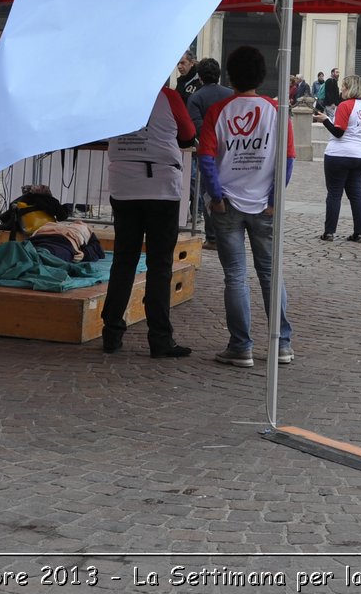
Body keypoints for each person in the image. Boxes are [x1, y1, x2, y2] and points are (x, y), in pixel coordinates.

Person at [198, 45, 295, 369]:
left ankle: (241, 346)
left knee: (235, 277)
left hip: (227, 203)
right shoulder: (276, 111)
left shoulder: (219, 111)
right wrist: (272, 200)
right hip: (262, 205)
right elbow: (288, 159)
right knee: (270, 275)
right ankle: (281, 344)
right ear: (262, 75)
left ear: (230, 75)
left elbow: (207, 157)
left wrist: (216, 195)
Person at [101, 78, 196, 359]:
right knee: (159, 263)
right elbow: (188, 135)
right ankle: (160, 338)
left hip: (124, 184)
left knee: (124, 259)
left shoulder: (114, 95)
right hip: (161, 187)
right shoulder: (168, 97)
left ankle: (112, 331)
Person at [316, 74, 361, 242]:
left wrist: (325, 120)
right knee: (356, 193)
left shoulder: (345, 106)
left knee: (334, 193)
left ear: (350, 88)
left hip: (339, 154)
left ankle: (329, 232)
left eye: (344, 87)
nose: (342, 90)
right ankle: (359, 232)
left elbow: (338, 132)